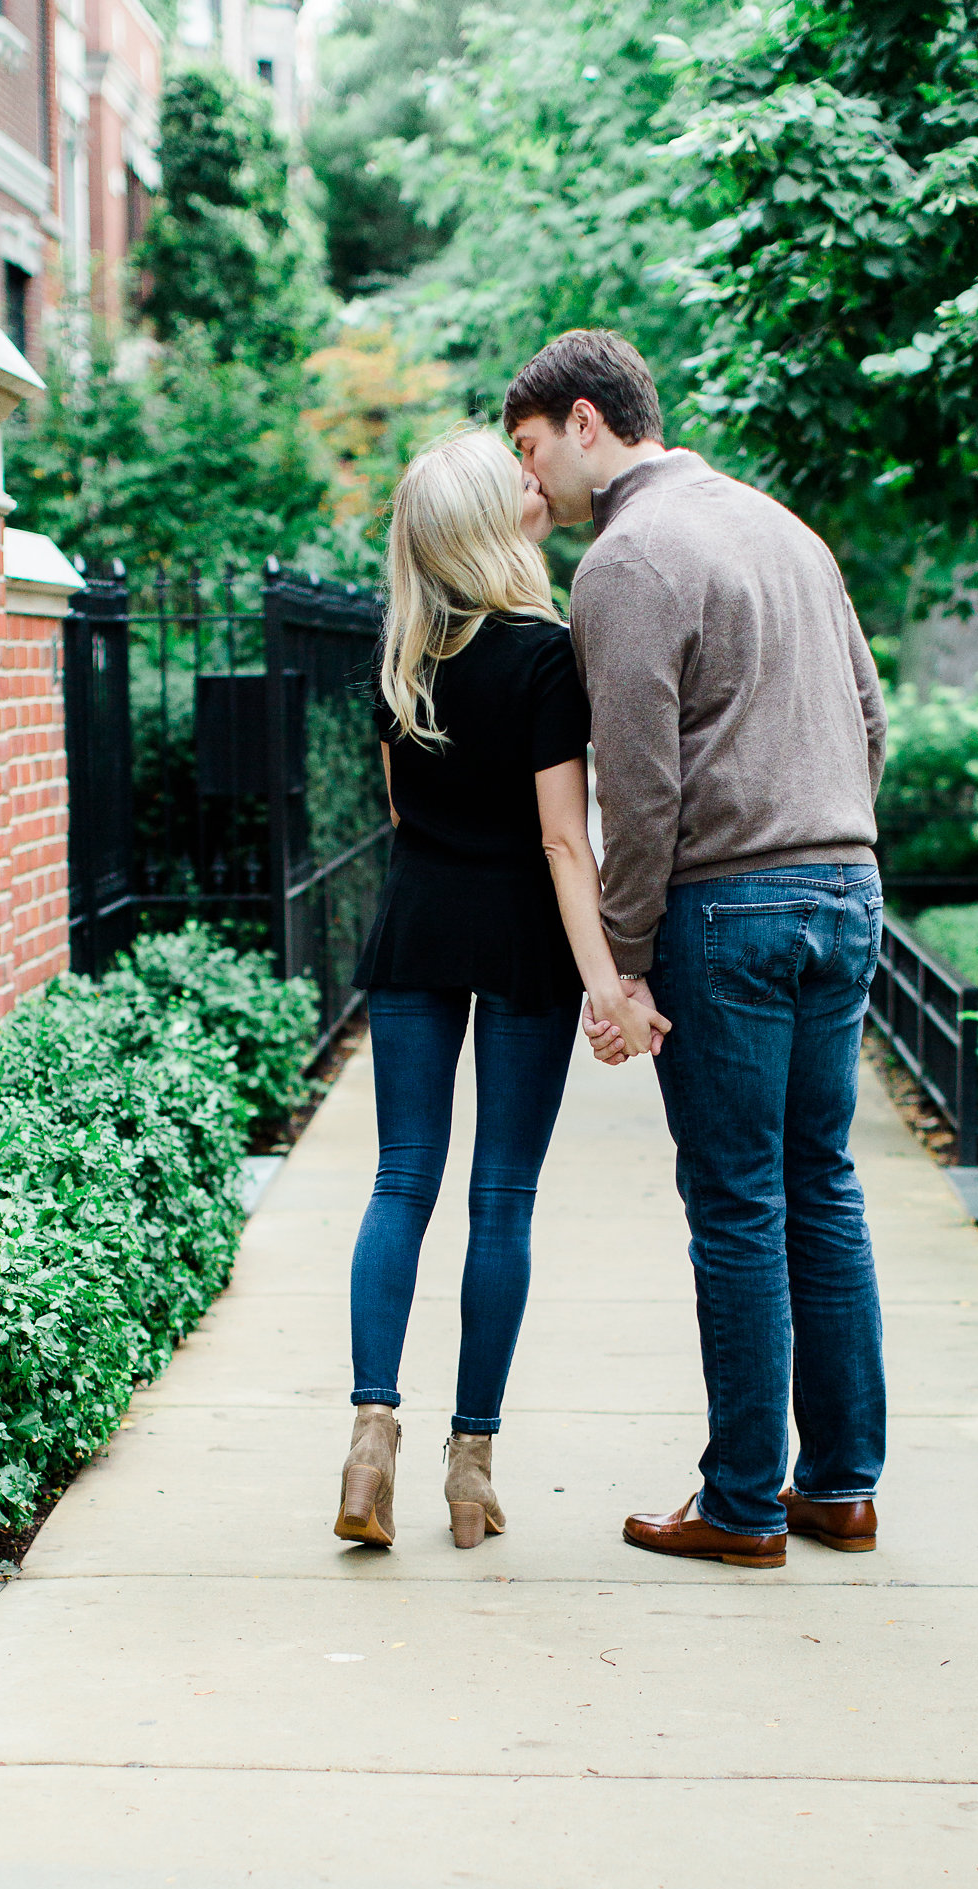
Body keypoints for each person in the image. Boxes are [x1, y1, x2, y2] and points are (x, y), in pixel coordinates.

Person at [504, 330, 888, 1571]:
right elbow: (874, 723)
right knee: (820, 1184)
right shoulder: (786, 530)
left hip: (730, 907)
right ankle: (839, 1488)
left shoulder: (624, 560)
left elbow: (644, 786)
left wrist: (618, 965)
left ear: (583, 422)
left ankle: (741, 1504)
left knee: (737, 1204)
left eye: (529, 450)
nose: (533, 485)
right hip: (846, 885)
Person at [334, 426, 667, 1551]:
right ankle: (469, 1469)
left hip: (417, 932)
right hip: (522, 940)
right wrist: (611, 988)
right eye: (517, 483)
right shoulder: (543, 653)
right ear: (490, 520)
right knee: (501, 1199)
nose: (537, 487)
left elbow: (400, 816)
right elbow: (566, 845)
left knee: (400, 1182)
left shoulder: (401, 656)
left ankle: (369, 1434)